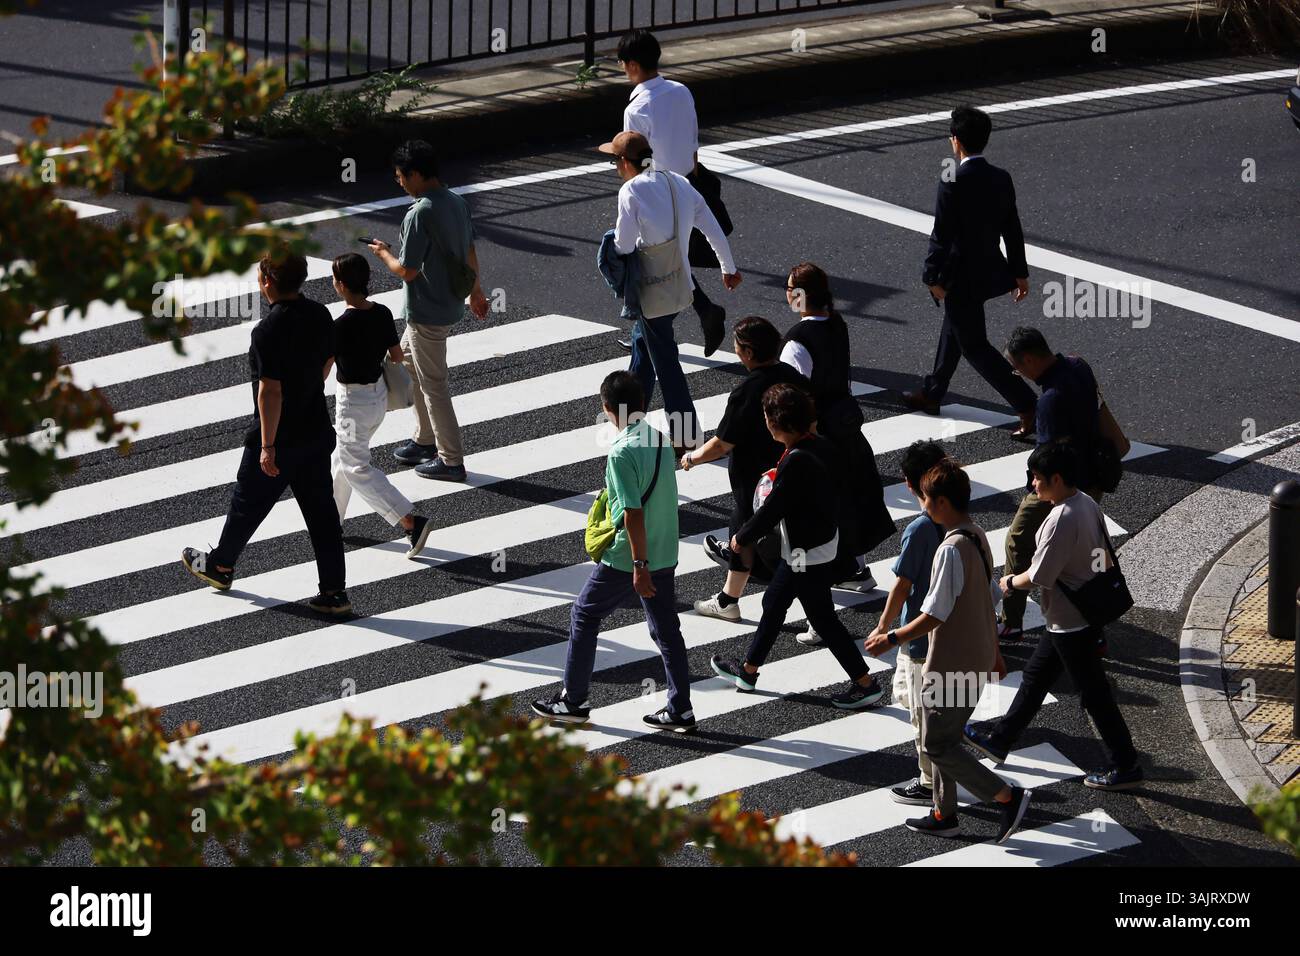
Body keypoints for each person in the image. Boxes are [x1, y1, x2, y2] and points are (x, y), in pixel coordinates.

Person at [865, 459, 1029, 842]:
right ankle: (944, 812)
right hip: (974, 657)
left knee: (936, 742)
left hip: (952, 662)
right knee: (944, 739)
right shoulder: (977, 535)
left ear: (938, 502)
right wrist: (995, 651)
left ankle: (1006, 797)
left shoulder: (950, 549)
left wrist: (891, 638)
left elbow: (934, 614)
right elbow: (989, 599)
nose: (921, 504)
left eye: (924, 497)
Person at [964, 442, 1143, 791]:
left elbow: (1040, 575)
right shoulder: (1086, 503)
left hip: (1070, 620)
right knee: (1035, 678)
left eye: (1037, 478)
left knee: (1094, 695)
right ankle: (1000, 738)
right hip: (1082, 612)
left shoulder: (1060, 519)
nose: (1033, 485)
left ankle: (1126, 765)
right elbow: (1098, 556)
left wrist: (1009, 582)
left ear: (1056, 478)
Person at [181, 253, 350, 616]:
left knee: (247, 503)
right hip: (315, 431)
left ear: (267, 282)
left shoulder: (267, 331)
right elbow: (327, 361)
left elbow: (270, 392)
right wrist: (308, 386)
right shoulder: (320, 314)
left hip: (280, 437)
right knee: (323, 517)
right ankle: (335, 593)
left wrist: (267, 445)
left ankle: (221, 566)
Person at [532, 371, 696, 733]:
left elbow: (632, 512)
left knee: (584, 615)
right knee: (667, 631)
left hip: (628, 557)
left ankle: (573, 701)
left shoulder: (621, 452)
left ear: (608, 409)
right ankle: (680, 707)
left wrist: (639, 565)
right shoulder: (658, 437)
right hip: (666, 548)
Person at [710, 384, 886, 710]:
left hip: (804, 554)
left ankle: (866, 684)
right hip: (819, 545)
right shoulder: (820, 447)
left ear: (780, 424)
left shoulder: (797, 461)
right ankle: (748, 671)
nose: (765, 422)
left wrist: (741, 537)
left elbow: (773, 509)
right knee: (775, 604)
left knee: (819, 619)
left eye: (767, 417)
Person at [600, 129, 741, 450]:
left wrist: (614, 242)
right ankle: (628, 420)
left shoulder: (631, 192)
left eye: (614, 162)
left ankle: (686, 435)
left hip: (652, 288)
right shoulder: (679, 182)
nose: (615, 169)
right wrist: (728, 268)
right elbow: (711, 228)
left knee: (666, 362)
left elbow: (622, 244)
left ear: (625, 162)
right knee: (644, 349)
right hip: (679, 284)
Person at [903, 105, 1037, 438]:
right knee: (956, 329)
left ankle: (1028, 405)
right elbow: (1012, 228)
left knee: (974, 346)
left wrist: (931, 277)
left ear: (956, 141)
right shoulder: (1000, 177)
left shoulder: (952, 179)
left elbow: (942, 234)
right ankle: (933, 392)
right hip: (988, 272)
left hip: (957, 277)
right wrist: (1020, 272)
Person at [368, 140, 489, 483]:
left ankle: (451, 459)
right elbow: (469, 250)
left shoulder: (419, 213)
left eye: (401, 177)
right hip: (447, 302)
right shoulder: (456, 202)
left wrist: (382, 254)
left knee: (434, 384)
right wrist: (476, 291)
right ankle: (424, 440)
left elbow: (407, 270)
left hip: (426, 311)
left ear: (416, 174)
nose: (400, 183)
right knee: (407, 363)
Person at [781, 263, 894, 603]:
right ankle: (856, 567)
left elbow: (794, 395)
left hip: (818, 433)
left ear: (800, 296)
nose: (786, 294)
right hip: (845, 423)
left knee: (821, 505)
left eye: (789, 288)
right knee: (850, 495)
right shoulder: (837, 324)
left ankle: (831, 571)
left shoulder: (797, 342)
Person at [616, 28, 732, 357]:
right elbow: (692, 138)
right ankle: (696, 314)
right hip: (688, 180)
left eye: (623, 63)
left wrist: (635, 194)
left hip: (658, 188)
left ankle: (649, 334)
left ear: (634, 65)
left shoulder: (636, 109)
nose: (623, 69)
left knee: (652, 260)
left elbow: (634, 157)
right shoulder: (681, 91)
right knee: (670, 258)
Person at [685, 316, 809, 621]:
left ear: (749, 352)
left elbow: (723, 442)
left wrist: (692, 458)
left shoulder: (748, 390)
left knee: (749, 535)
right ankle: (729, 599)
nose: (736, 352)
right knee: (768, 536)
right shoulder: (792, 376)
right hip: (795, 466)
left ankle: (813, 614)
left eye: (738, 348)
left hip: (755, 479)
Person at [999, 326, 1105, 639]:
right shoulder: (1079, 365)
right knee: (1083, 551)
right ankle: (1094, 620)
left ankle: (1011, 619)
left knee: (1018, 540)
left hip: (1061, 483)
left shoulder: (1049, 401)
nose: (1019, 374)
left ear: (1030, 360)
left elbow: (1045, 458)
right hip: (1093, 475)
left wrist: (1034, 486)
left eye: (1018, 368)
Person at [326, 253, 432, 558]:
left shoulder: (340, 325)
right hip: (378, 399)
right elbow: (397, 356)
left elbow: (326, 365)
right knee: (342, 457)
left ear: (342, 285)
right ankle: (331, 523)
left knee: (355, 466)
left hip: (352, 405)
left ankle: (410, 521)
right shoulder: (382, 313)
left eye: (335, 279)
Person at [865, 440, 949, 806]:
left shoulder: (919, 529)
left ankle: (930, 782)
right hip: (948, 634)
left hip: (917, 636)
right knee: (934, 707)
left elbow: (902, 585)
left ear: (908, 483)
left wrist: (884, 628)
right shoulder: (956, 518)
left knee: (921, 714)